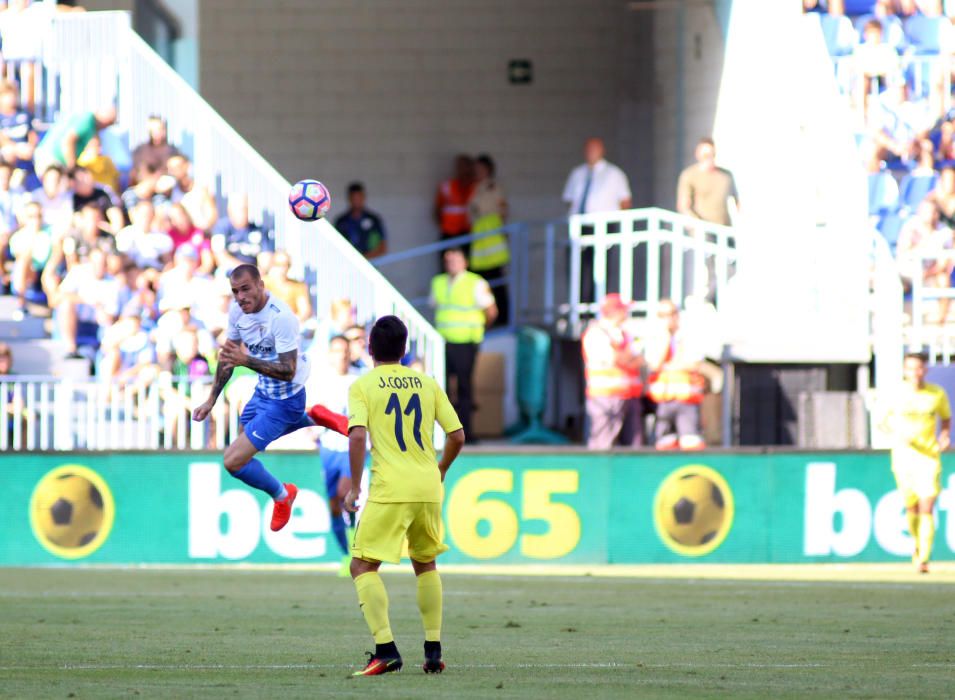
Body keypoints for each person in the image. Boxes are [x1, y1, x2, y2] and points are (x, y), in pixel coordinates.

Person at [342, 314, 465, 676]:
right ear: (405, 348)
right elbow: (457, 436)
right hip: (428, 486)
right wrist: (440, 469)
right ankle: (433, 650)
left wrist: (354, 485)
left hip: (391, 488)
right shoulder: (427, 384)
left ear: (369, 349)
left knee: (362, 565)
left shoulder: (363, 385)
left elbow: (358, 435)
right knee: (425, 564)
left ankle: (386, 648)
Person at [191, 264, 347, 531]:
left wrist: (246, 360)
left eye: (246, 289)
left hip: (286, 399)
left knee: (233, 461)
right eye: (235, 291)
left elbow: (288, 370)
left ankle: (283, 495)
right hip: (263, 392)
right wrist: (211, 400)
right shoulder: (236, 312)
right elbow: (228, 359)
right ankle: (311, 417)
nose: (240, 296)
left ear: (261, 286)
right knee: (244, 443)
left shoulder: (281, 317)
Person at [880, 352, 951, 574]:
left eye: (919, 368)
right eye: (911, 368)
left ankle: (923, 558)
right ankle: (917, 545)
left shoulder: (936, 394)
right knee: (911, 507)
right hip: (903, 457)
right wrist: (897, 435)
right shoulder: (895, 394)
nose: (915, 373)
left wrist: (945, 436)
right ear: (904, 370)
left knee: (927, 506)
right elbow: (882, 423)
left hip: (929, 457)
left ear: (925, 370)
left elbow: (946, 418)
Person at [429, 247, 497, 438]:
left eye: (455, 260)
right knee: (441, 387)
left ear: (465, 262)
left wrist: (479, 329)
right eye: (448, 260)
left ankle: (466, 431)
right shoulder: (438, 282)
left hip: (466, 341)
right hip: (443, 341)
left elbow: (491, 311)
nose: (451, 264)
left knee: (464, 387)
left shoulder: (475, 282)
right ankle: (443, 431)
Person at [307, 334, 360, 574]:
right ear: (330, 355)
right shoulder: (320, 382)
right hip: (328, 448)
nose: (342, 355)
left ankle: (356, 555)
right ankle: (346, 555)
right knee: (334, 506)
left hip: (352, 448)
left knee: (345, 495)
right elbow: (311, 412)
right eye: (337, 350)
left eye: (345, 350)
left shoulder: (360, 380)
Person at [562, 138, 632, 303]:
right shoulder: (578, 173)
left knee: (600, 269)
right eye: (588, 149)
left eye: (594, 149)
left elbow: (625, 202)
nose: (590, 153)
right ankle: (579, 305)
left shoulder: (614, 174)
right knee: (577, 267)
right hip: (580, 226)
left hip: (604, 226)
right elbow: (569, 200)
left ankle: (597, 304)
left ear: (602, 151)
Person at [581, 293, 643, 449]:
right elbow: (617, 358)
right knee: (604, 444)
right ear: (614, 311)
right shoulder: (596, 333)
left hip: (629, 396)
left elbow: (640, 360)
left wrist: (632, 357)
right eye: (624, 310)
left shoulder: (624, 334)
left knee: (633, 445)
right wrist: (631, 356)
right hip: (605, 398)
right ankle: (599, 473)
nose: (627, 314)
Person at [645, 300, 707, 450]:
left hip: (686, 400)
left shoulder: (689, 336)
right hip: (663, 402)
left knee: (691, 443)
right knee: (665, 443)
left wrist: (669, 366)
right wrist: (665, 339)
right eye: (662, 315)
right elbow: (655, 364)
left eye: (671, 313)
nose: (668, 318)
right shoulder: (654, 338)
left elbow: (694, 363)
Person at [468, 154, 510, 327]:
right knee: (482, 285)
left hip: (492, 245)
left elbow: (502, 210)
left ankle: (502, 319)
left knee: (497, 283)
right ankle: (485, 320)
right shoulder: (476, 187)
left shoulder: (493, 187)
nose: (477, 171)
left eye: (480, 168)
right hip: (480, 245)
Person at [33, 107, 117, 175]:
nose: (106, 127)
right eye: (109, 122)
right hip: (52, 159)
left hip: (52, 158)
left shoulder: (88, 122)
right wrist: (72, 168)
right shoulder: (87, 120)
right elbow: (68, 140)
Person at [676, 137, 739, 227]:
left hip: (724, 229)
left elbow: (738, 202)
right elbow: (684, 205)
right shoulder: (689, 175)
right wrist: (694, 222)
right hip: (702, 231)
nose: (709, 158)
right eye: (706, 155)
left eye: (712, 154)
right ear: (698, 155)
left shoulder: (726, 176)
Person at [211, 193, 274, 270]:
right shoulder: (221, 228)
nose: (244, 213)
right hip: (230, 272)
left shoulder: (259, 230)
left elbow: (266, 259)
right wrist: (246, 270)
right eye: (240, 209)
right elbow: (220, 258)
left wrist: (258, 270)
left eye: (246, 208)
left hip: (254, 275)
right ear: (230, 210)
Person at [433, 155, 475, 255]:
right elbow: (437, 209)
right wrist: (444, 225)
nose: (462, 169)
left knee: (467, 264)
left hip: (468, 232)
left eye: (465, 166)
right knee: (447, 262)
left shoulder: (476, 187)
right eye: (460, 166)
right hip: (448, 232)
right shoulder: (446, 186)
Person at [333, 182, 387, 259]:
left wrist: (363, 259)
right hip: (347, 264)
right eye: (354, 198)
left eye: (359, 198)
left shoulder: (374, 220)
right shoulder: (341, 221)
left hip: (368, 264)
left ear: (363, 197)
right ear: (349, 198)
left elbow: (382, 247)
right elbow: (334, 245)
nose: (356, 201)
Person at [263, 250, 312, 324]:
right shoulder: (263, 283)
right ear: (272, 265)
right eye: (279, 264)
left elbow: (304, 311)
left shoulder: (298, 286)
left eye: (287, 264)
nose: (283, 268)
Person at [131, 115, 179, 182]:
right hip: (146, 185)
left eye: (160, 129)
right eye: (154, 130)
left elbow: (174, 170)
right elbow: (139, 171)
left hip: (166, 185)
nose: (157, 132)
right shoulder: (141, 150)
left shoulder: (172, 151)